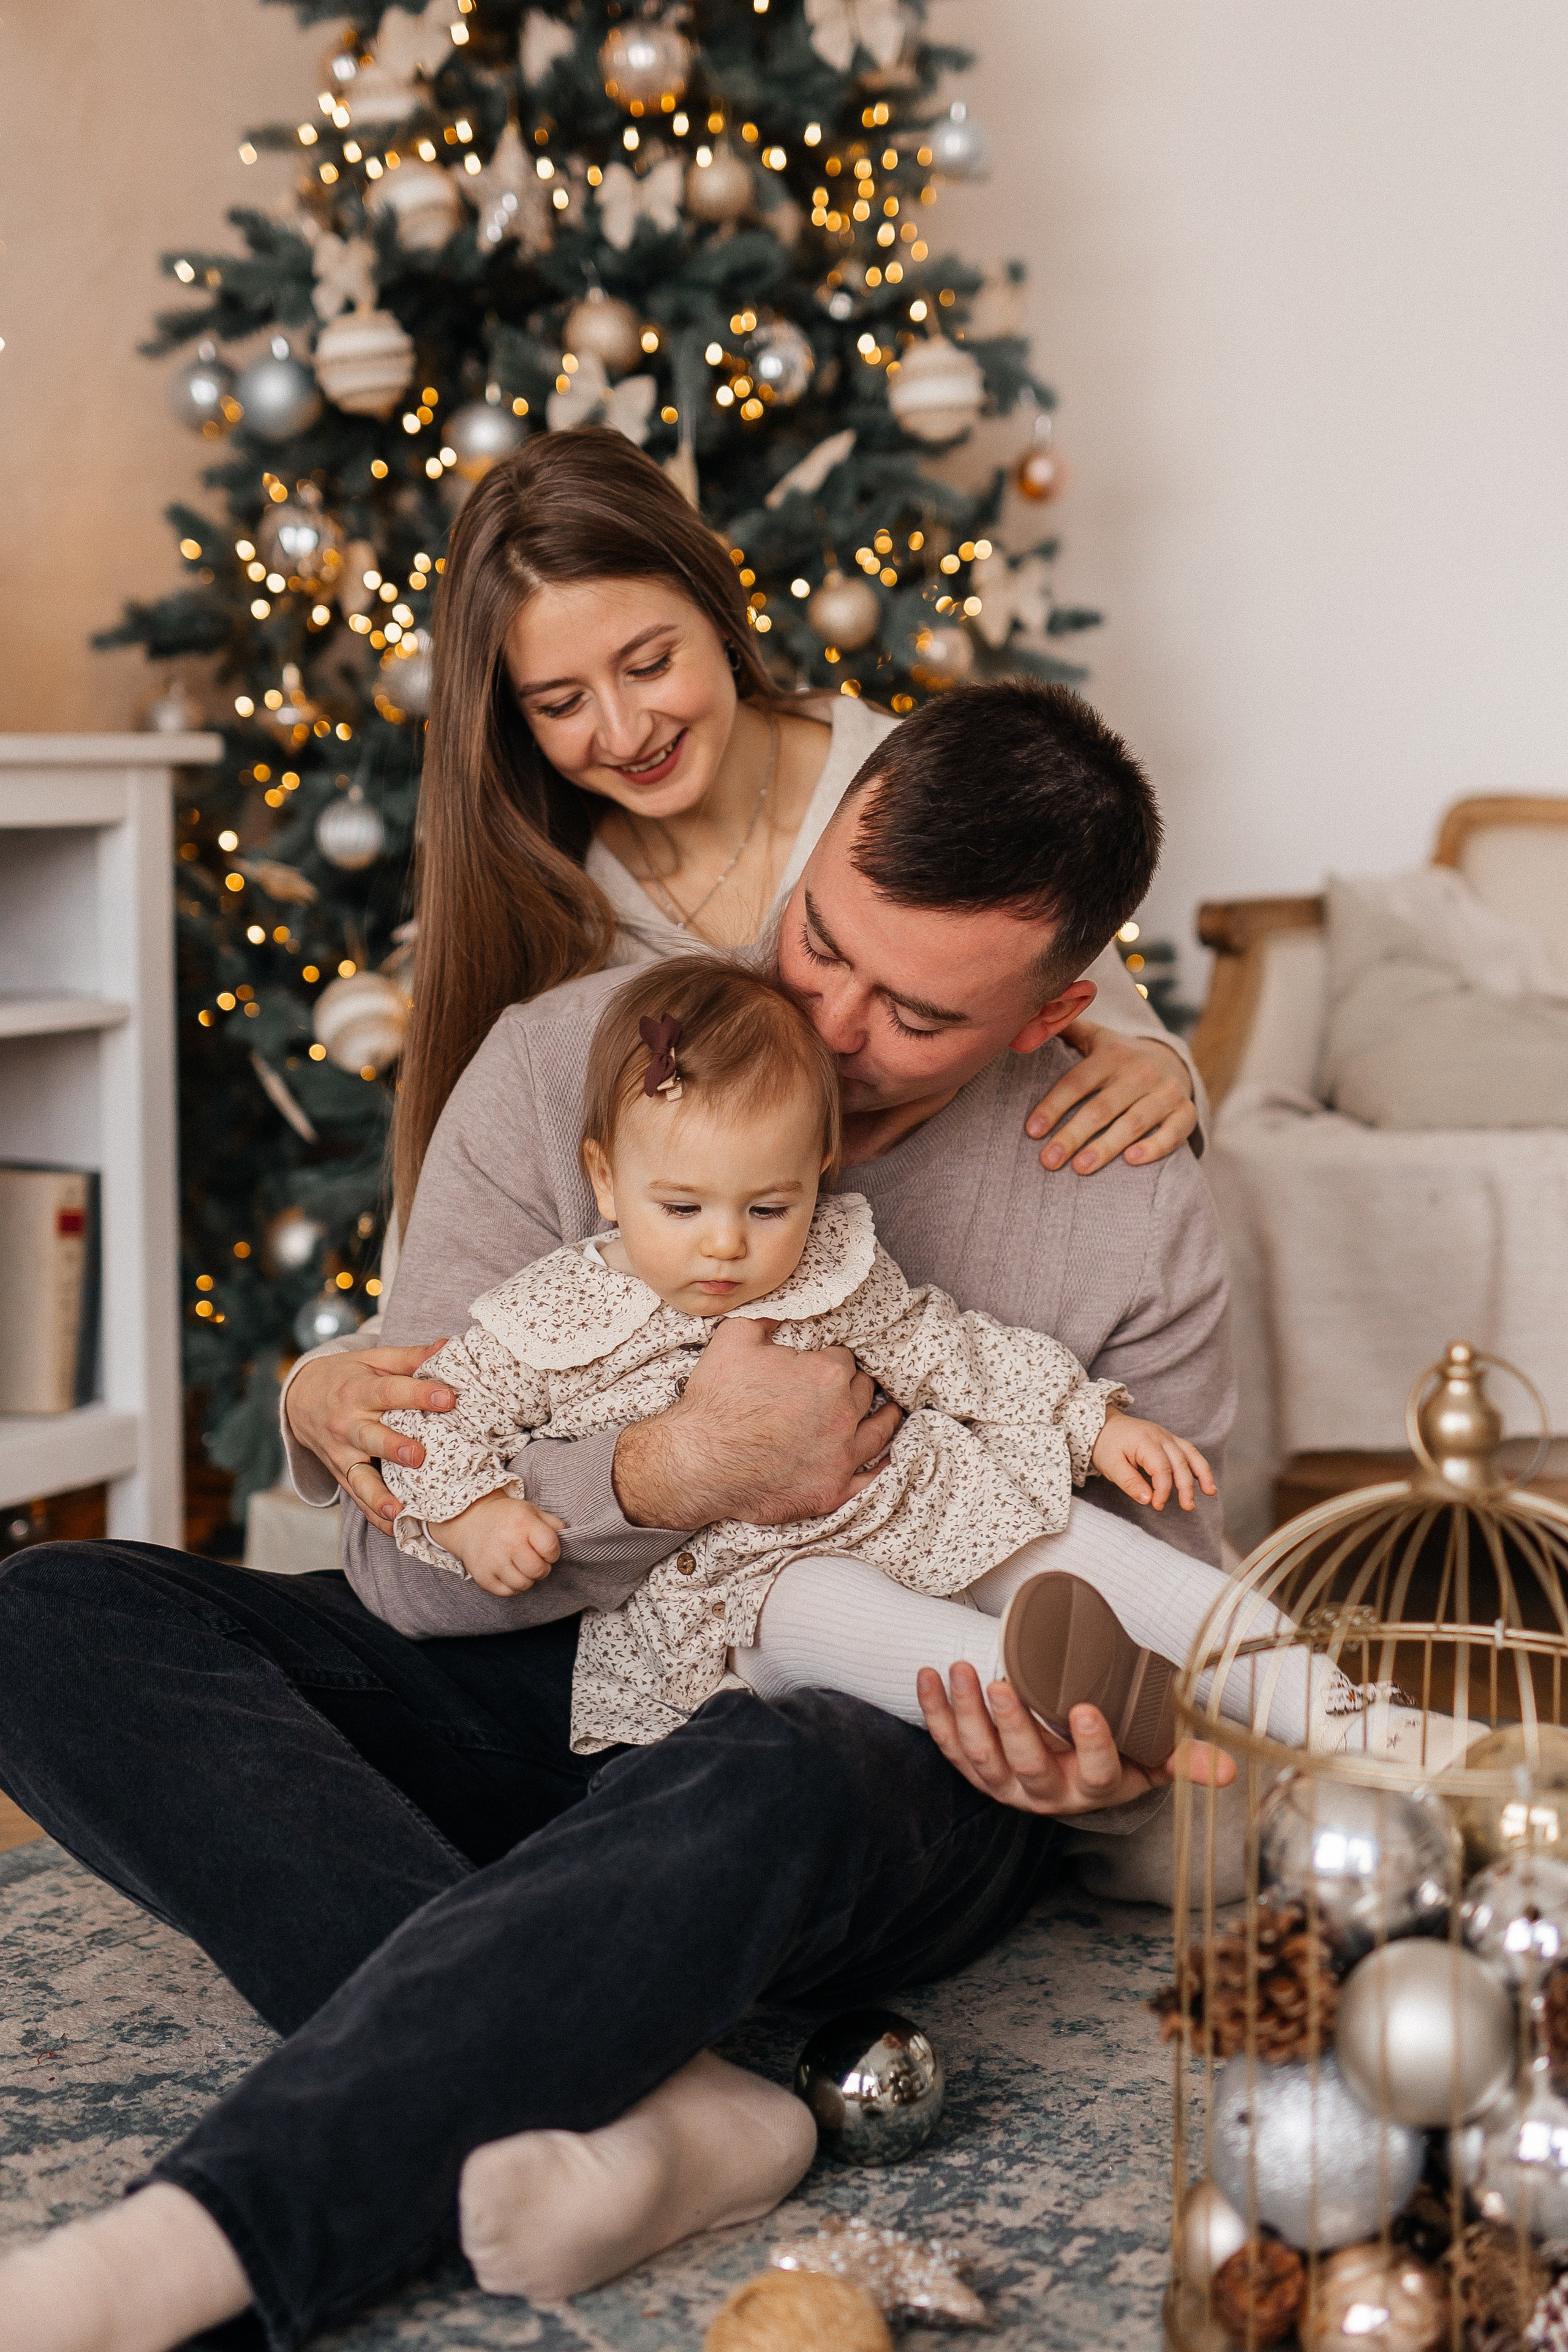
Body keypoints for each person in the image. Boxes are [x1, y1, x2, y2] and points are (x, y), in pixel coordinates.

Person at [0, 460, 1235, 2352]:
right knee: (47, 1614)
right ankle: (678, 2099)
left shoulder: (1127, 1173)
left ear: (1059, 1010)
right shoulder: (568, 1063)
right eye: (823, 940)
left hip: (887, 1734)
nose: (828, 1029)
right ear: (825, 840)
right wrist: (667, 1472)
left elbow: (1170, 1607)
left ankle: (204, 2252)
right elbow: (414, 1577)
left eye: (918, 1015)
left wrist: (1114, 1757)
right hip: (555, 1667)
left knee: (774, 1754)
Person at [279, 428, 1207, 1552]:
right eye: (559, 702)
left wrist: (1162, 1064)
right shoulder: (543, 921)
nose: (624, 733)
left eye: (649, 663)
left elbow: (1068, 992)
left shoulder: (885, 795)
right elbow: (464, 1266)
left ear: (719, 610)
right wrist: (321, 1384)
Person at [379, 952, 1220, 1768]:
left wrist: (1087, 1422)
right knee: (833, 1610)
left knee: (1066, 1532)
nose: (725, 1244)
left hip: (901, 1515)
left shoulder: (829, 1271)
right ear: (604, 1179)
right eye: (679, 1206)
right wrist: (475, 1516)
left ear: (817, 1177)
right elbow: (434, 1418)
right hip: (742, 1591)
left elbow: (950, 1349)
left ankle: (1326, 1703)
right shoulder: (554, 1310)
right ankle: (1076, 1702)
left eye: (770, 1206)